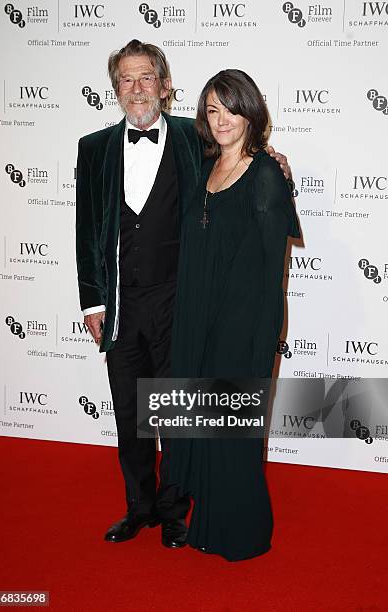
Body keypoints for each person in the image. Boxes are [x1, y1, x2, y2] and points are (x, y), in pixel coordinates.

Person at [75, 39, 292, 549]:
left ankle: (176, 510)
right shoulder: (93, 148)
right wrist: (93, 300)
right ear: (115, 89)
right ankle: (138, 508)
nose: (137, 88)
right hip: (122, 307)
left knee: (179, 412)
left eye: (146, 77)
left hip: (182, 304)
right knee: (131, 413)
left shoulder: (195, 139)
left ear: (165, 85)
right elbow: (86, 230)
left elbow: (241, 162)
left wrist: (276, 164)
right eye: (126, 79)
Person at [169, 69, 300, 561]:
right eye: (211, 110)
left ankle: (243, 532)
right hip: (196, 315)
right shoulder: (202, 164)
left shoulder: (265, 173)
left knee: (232, 428)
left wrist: (263, 335)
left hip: (241, 321)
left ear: (250, 110)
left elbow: (272, 267)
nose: (221, 119)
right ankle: (209, 523)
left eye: (230, 107)